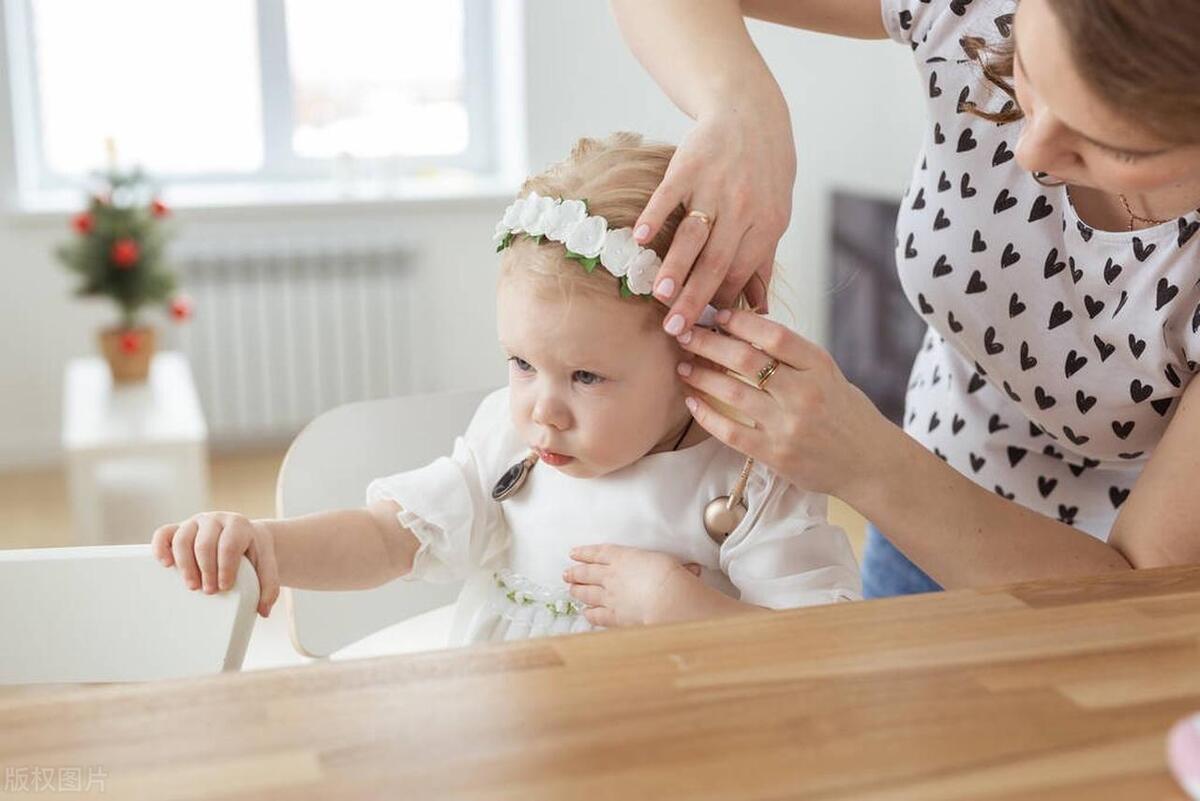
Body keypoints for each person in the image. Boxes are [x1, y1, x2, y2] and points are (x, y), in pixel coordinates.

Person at [151, 132, 860, 646]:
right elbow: (387, 538)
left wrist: (680, 607)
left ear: (697, 353)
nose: (541, 409)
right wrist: (266, 545)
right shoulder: (510, 443)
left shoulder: (747, 480)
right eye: (521, 363)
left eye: (585, 376)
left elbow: (821, 650)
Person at [610, 0, 1200, 598]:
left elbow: (1141, 592)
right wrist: (738, 106)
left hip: (1085, 604)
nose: (1032, 154)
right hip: (910, 518)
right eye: (1027, 68)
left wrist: (863, 459)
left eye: (1114, 146)